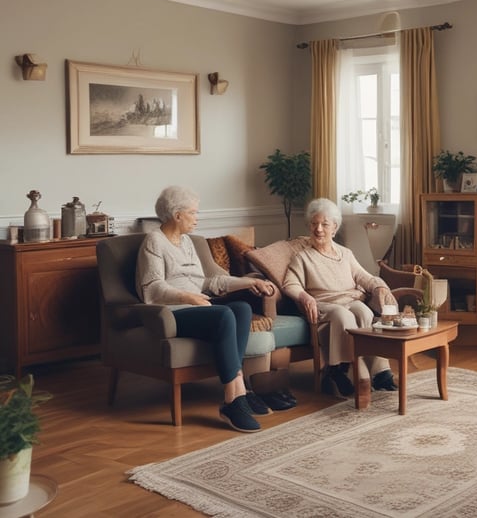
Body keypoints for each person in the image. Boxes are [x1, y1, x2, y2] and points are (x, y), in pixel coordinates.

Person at [136, 185, 285, 433]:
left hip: (199, 304)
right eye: (193, 213)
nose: (197, 218)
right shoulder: (154, 242)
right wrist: (189, 297)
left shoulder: (186, 242)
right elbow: (151, 288)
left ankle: (239, 389)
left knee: (241, 308)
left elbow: (207, 283)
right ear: (177, 215)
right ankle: (232, 397)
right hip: (172, 313)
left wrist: (249, 281)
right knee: (225, 314)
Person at [282, 197, 398, 396]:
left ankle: (379, 371)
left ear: (334, 228)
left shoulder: (345, 253)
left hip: (350, 300)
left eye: (324, 224)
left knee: (363, 311)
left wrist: (380, 287)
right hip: (323, 304)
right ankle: (338, 369)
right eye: (314, 224)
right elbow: (289, 284)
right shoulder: (302, 257)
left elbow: (364, 277)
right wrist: (304, 297)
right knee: (342, 315)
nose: (318, 229)